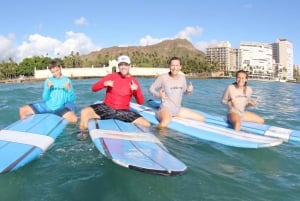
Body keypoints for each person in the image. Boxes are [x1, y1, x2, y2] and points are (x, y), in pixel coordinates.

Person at [79, 55, 151, 132]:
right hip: (107, 108)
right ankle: (83, 135)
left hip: (123, 112)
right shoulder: (111, 76)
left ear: (129, 66)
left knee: (146, 124)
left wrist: (136, 90)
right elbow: (93, 88)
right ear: (118, 66)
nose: (123, 67)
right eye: (121, 65)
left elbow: (141, 102)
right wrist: (104, 84)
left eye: (126, 64)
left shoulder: (134, 81)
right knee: (84, 112)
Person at [149, 56, 205, 128]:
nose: (174, 68)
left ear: (180, 67)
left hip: (177, 110)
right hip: (165, 110)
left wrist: (188, 90)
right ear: (169, 66)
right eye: (172, 65)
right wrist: (158, 95)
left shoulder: (182, 78)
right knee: (166, 122)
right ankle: (153, 133)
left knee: (201, 118)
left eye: (177, 65)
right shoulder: (163, 77)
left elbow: (184, 92)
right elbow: (151, 89)